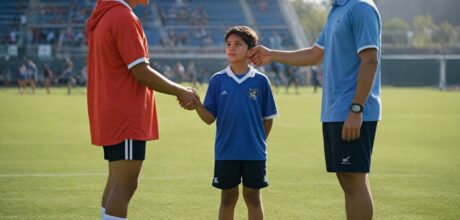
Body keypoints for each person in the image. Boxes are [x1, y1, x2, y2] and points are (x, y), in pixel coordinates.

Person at [249, 0, 381, 219]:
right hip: (335, 110)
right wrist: (271, 54)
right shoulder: (337, 10)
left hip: (352, 110)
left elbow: (370, 61)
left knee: (353, 180)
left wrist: (357, 109)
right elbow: (314, 54)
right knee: (348, 180)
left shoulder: (361, 7)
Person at [86, 1, 197, 220]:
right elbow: (140, 71)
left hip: (113, 111)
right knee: (125, 185)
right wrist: (180, 91)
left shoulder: (108, 16)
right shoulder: (123, 18)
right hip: (125, 114)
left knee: (117, 182)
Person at [194, 26, 278, 220]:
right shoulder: (217, 80)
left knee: (253, 198)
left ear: (251, 50)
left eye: (238, 44)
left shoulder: (261, 81)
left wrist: (258, 142)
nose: (231, 48)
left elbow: (268, 118)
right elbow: (209, 118)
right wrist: (197, 105)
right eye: (228, 44)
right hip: (226, 151)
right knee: (227, 198)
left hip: (254, 153)